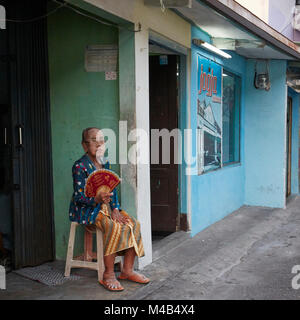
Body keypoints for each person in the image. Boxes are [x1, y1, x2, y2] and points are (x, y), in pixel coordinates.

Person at [69, 127, 150, 291]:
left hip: (107, 208)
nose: (99, 143)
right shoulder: (80, 166)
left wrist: (116, 209)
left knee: (132, 223)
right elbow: (79, 197)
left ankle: (127, 270)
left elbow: (112, 190)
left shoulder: (105, 163)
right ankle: (109, 274)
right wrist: (96, 200)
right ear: (84, 145)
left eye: (101, 139)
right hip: (88, 210)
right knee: (113, 227)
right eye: (93, 140)